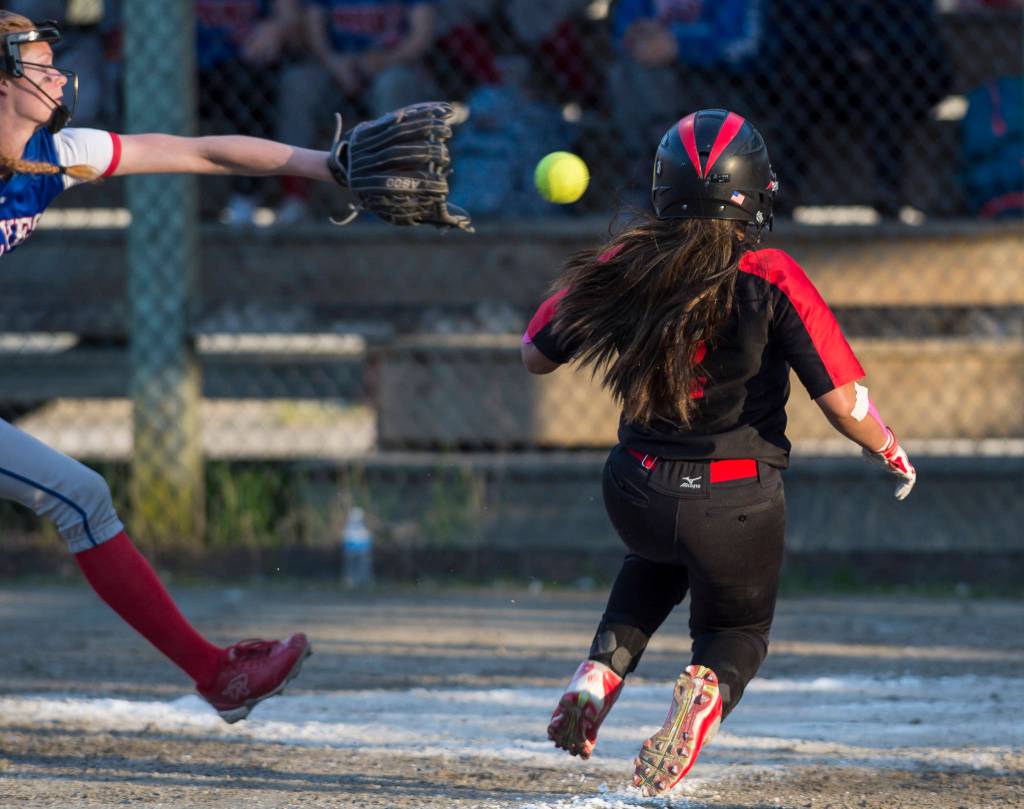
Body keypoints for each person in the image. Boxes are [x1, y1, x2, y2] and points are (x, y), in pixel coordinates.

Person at [0, 11, 467, 720]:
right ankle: (216, 674)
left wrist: (323, 165)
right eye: (37, 62)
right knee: (80, 496)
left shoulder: (55, 154)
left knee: (83, 497)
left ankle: (217, 674)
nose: (60, 73)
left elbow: (203, 153)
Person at [521, 109, 917, 795]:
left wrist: (606, 278)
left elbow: (535, 353)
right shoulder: (770, 271)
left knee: (657, 555)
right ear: (756, 189)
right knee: (736, 628)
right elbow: (843, 400)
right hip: (737, 501)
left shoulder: (626, 260)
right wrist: (888, 447)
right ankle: (704, 691)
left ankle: (597, 674)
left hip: (637, 488)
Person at [273, 0, 438, 222]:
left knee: (393, 84)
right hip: (337, 68)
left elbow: (421, 36)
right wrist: (334, 63)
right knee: (298, 83)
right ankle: (296, 198)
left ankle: (391, 194)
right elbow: (314, 28)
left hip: (391, 67)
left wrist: (385, 60)